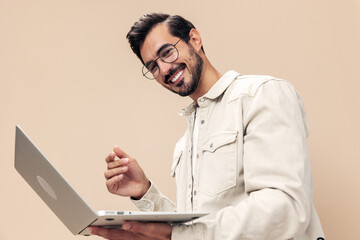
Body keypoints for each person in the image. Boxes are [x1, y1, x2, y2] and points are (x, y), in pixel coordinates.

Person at [89, 13, 324, 240]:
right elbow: (193, 231)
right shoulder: (184, 145)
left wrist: (181, 234)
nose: (164, 70)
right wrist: (144, 192)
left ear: (195, 39)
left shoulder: (261, 95)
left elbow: (286, 209)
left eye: (167, 52)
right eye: (153, 66)